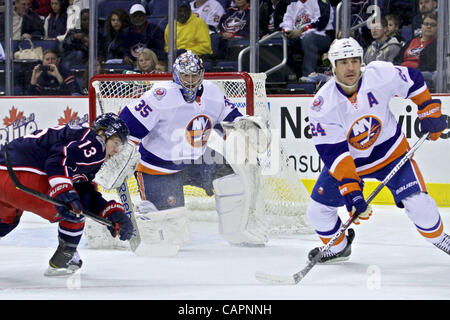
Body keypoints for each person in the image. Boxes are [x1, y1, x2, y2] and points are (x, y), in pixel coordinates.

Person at [306, 37, 449, 263]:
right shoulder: (322, 104)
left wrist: (428, 110)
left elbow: (412, 80)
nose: (350, 67)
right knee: (317, 212)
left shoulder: (379, 74)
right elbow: (334, 153)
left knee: (421, 208)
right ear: (332, 66)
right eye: (343, 62)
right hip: (352, 163)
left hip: (392, 155)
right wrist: (352, 189)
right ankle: (339, 248)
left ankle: (443, 240)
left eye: (354, 60)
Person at [118, 50, 269, 247]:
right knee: (174, 239)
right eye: (185, 76)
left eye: (194, 75)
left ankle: (237, 232)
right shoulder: (159, 96)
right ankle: (146, 217)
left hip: (197, 160)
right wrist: (120, 153)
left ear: (202, 74)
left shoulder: (213, 93)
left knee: (233, 177)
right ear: (175, 75)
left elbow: (232, 122)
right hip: (158, 169)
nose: (190, 81)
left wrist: (244, 129)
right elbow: (127, 128)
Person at [0, 113, 134, 276]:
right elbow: (59, 159)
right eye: (116, 143)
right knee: (75, 207)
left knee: (6, 221)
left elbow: (85, 189)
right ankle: (65, 257)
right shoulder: (96, 143)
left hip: (5, 178)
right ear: (102, 133)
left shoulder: (79, 140)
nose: (116, 151)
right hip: (24, 176)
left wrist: (112, 213)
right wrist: (63, 190)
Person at [279, 0, 334, 81]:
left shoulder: (321, 1)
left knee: (309, 38)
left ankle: (308, 76)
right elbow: (287, 20)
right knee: (282, 40)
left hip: (322, 35)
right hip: (299, 36)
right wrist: (288, 32)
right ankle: (289, 75)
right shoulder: (293, 3)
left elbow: (322, 23)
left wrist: (301, 31)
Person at [394, 13, 438, 91]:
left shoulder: (437, 45)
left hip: (421, 74)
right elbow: (397, 60)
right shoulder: (410, 42)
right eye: (426, 24)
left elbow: (431, 66)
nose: (428, 27)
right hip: (403, 73)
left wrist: (413, 71)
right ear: (421, 26)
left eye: (433, 25)